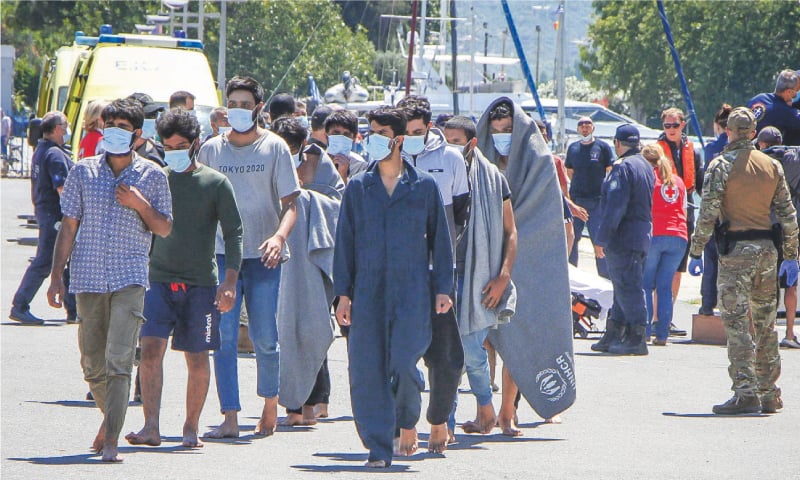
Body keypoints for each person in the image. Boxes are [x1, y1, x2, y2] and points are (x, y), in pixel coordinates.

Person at [46, 98, 173, 462]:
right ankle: (111, 417)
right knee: (92, 362)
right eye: (109, 125)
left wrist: (140, 205)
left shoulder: (153, 175)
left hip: (129, 277)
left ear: (136, 135)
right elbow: (68, 226)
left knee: (119, 360)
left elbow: (164, 227)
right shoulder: (82, 172)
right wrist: (56, 276)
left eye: (121, 126)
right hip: (87, 277)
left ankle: (113, 440)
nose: (113, 132)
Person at [333, 106, 453, 467]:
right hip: (367, 291)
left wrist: (443, 288)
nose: (372, 139)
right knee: (367, 371)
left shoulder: (424, 187)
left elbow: (441, 244)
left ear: (398, 140)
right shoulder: (358, 187)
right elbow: (345, 243)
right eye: (369, 132)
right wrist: (343, 293)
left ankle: (406, 420)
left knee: (403, 363)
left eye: (380, 133)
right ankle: (378, 447)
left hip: (412, 291)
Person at [123, 108, 242, 449]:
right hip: (157, 281)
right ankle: (151, 426)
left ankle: (190, 428)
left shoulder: (215, 183)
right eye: (167, 146)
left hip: (201, 284)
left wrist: (230, 280)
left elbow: (234, 232)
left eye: (181, 145)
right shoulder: (155, 178)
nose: (174, 151)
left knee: (197, 357)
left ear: (196, 143)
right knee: (149, 352)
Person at [198, 76, 300, 438]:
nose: (238, 110)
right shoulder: (211, 150)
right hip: (223, 258)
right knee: (223, 336)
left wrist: (278, 236)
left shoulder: (275, 148)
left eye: (245, 104)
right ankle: (229, 416)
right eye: (233, 104)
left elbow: (291, 204)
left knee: (264, 336)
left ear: (259, 108)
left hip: (264, 258)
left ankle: (270, 407)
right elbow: (199, 200)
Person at [688, 106, 798, 415]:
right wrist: (791, 255)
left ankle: (745, 391)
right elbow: (788, 215)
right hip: (767, 250)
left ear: (728, 131)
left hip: (736, 252)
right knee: (766, 324)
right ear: (752, 133)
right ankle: (769, 392)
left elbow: (708, 211)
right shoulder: (771, 166)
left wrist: (696, 249)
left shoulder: (720, 165)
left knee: (737, 325)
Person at [475, 97, 575, 427]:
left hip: (529, 259)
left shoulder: (539, 159)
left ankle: (508, 410)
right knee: (482, 337)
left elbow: (544, 214)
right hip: (484, 255)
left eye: (507, 130)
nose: (502, 136)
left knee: (520, 335)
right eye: (495, 131)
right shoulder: (478, 159)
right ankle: (483, 409)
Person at [397, 95, 467, 452]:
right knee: (400, 355)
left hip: (439, 271)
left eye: (417, 132)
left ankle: (441, 420)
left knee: (447, 356)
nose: (411, 138)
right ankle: (404, 424)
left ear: (428, 128)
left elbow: (460, 216)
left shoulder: (451, 159)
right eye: (405, 132)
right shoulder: (385, 160)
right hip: (397, 275)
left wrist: (444, 263)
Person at [442, 115, 518, 437]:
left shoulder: (493, 178)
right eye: (444, 140)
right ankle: (445, 420)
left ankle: (483, 404)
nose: (449, 148)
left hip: (478, 277)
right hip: (442, 273)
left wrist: (503, 277)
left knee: (472, 347)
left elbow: (511, 232)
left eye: (456, 142)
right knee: (444, 353)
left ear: (472, 144)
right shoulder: (436, 170)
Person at [271, 116, 343, 426]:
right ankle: (293, 407)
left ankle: (315, 402)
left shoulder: (319, 162)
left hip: (314, 258)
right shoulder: (267, 160)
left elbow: (339, 205)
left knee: (313, 328)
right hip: (278, 258)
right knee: (284, 330)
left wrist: (307, 197)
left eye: (292, 149)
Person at [592, 124, 655, 355]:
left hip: (624, 237)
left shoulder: (622, 167)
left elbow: (615, 207)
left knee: (628, 286)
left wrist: (602, 237)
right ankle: (614, 333)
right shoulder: (645, 165)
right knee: (622, 286)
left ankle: (637, 337)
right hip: (640, 235)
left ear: (617, 143)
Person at [10, 111, 75, 325]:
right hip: (55, 215)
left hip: (46, 212)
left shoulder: (42, 150)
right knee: (46, 261)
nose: (67, 131)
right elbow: (62, 188)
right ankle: (20, 305)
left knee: (68, 260)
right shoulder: (55, 154)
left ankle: (73, 309)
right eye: (65, 126)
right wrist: (74, 213)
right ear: (57, 128)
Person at [656, 107, 701, 337]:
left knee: (676, 270)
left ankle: (668, 317)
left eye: (675, 125)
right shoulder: (655, 151)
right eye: (667, 126)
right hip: (661, 215)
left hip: (685, 214)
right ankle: (656, 318)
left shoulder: (692, 150)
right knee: (657, 269)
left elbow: (700, 184)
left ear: (683, 125)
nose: (671, 130)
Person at [757, 126, 800, 349]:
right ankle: (790, 333)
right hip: (791, 228)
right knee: (791, 284)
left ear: (762, 143)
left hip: (766, 227)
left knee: (765, 284)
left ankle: (765, 333)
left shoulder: (760, 161)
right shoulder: (795, 158)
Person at [641, 143, 687, 346]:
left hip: (655, 234)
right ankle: (662, 335)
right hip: (679, 236)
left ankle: (644, 332)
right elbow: (684, 210)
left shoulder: (648, 179)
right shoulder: (678, 181)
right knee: (664, 287)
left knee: (646, 285)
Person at [564, 116, 614, 278]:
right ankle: (572, 275)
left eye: (588, 124)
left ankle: (604, 277)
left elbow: (610, 170)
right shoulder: (573, 148)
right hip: (577, 201)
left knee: (599, 241)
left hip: (598, 201)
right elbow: (569, 171)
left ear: (593, 127)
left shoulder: (603, 147)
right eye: (581, 125)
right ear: (578, 129)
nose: (584, 127)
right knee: (573, 238)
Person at [699, 104, 733, 315]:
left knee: (710, 259)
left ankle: (706, 304)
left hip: (712, 210)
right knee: (730, 261)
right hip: (734, 211)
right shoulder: (741, 148)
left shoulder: (711, 149)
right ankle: (728, 305)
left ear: (717, 125)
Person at [748, 69, 800, 146]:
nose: (797, 94)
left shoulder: (757, 98)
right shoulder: (785, 111)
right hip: (762, 154)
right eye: (797, 90)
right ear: (789, 92)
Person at [324, 109, 368, 182]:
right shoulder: (317, 161)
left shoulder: (360, 166)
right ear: (326, 134)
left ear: (354, 138)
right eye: (336, 133)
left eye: (346, 134)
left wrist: (343, 174)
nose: (341, 137)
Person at [126, 93, 166, 166]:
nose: (153, 119)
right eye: (148, 115)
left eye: (155, 115)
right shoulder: (109, 149)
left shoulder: (158, 151)